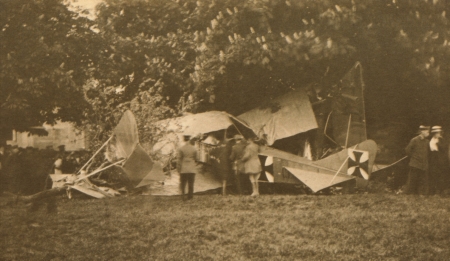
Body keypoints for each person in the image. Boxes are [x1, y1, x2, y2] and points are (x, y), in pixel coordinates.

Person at [405, 125, 430, 195]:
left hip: (423, 164)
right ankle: (408, 194)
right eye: (427, 131)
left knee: (422, 180)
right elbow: (407, 150)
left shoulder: (427, 142)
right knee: (412, 180)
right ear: (422, 131)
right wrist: (414, 157)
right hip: (415, 164)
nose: (428, 133)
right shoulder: (414, 140)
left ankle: (421, 194)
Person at [428, 126, 449, 195]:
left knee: (441, 175)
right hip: (433, 158)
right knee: (433, 174)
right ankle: (433, 191)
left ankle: (441, 191)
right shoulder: (431, 140)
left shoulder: (442, 140)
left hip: (441, 159)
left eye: (439, 132)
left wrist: (438, 143)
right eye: (436, 133)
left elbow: (444, 149)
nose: (438, 134)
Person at [177, 135, 198, 200]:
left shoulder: (181, 148)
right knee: (191, 183)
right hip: (191, 167)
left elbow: (179, 159)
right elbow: (196, 159)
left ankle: (183, 195)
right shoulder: (194, 148)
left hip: (184, 168)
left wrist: (178, 168)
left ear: (184, 139)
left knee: (183, 183)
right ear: (189, 139)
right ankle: (190, 196)